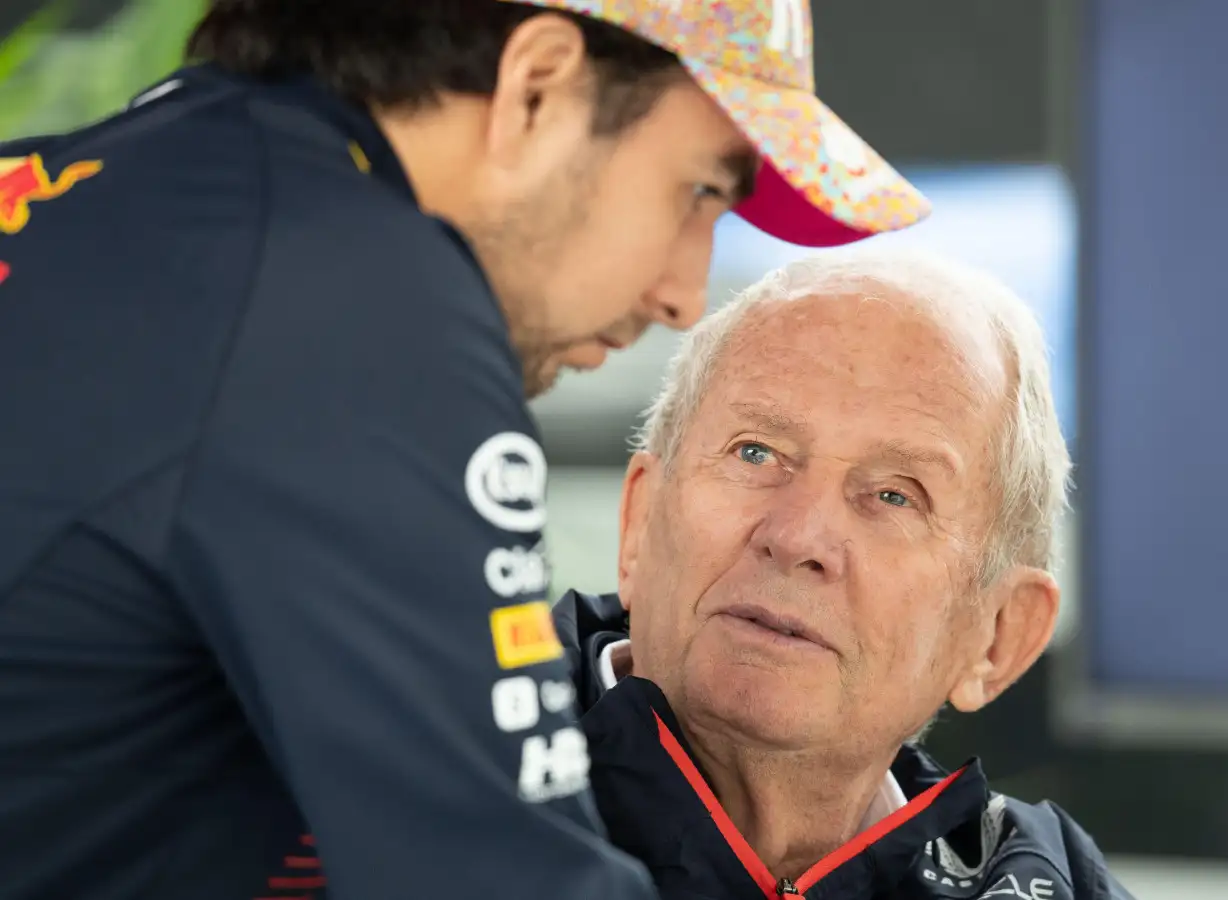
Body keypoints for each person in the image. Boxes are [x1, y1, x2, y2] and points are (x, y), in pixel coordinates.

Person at [0, 1, 927, 897]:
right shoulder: (351, 303)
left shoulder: (123, 189)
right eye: (698, 191)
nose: (685, 295)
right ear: (536, 87)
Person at [554, 249, 1135, 900]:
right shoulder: (450, 772)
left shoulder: (1054, 885)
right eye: (756, 452)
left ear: (998, 637)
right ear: (638, 523)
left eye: (894, 496)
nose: (797, 538)